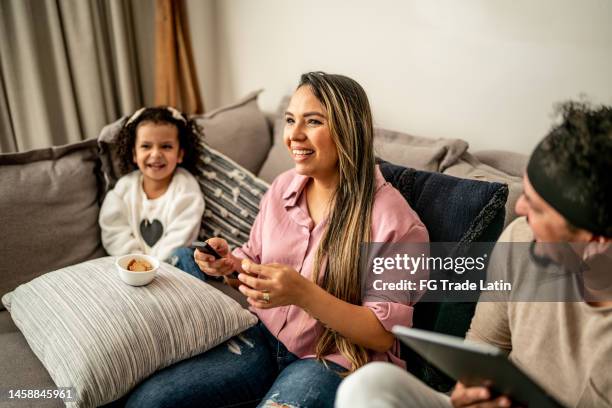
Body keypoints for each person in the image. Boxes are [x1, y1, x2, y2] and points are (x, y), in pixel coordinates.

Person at [122, 72, 429, 408]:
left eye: (312, 121)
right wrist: (230, 267)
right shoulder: (283, 187)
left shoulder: (397, 224)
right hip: (262, 339)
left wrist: (303, 293)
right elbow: (254, 260)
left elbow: (382, 334)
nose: (293, 136)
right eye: (289, 120)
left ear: (349, 128)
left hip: (332, 362)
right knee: (150, 401)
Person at [335, 101, 612, 408]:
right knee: (370, 383)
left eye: (537, 207)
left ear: (598, 241)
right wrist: (467, 394)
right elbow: (482, 351)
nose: (519, 209)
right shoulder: (521, 240)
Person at [99, 106, 205, 265]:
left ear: (180, 154)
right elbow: (114, 232)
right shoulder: (124, 189)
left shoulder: (186, 188)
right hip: (132, 266)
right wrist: (140, 263)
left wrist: (155, 266)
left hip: (173, 267)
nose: (155, 154)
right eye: (146, 146)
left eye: (166, 146)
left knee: (183, 254)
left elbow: (182, 235)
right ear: (134, 154)